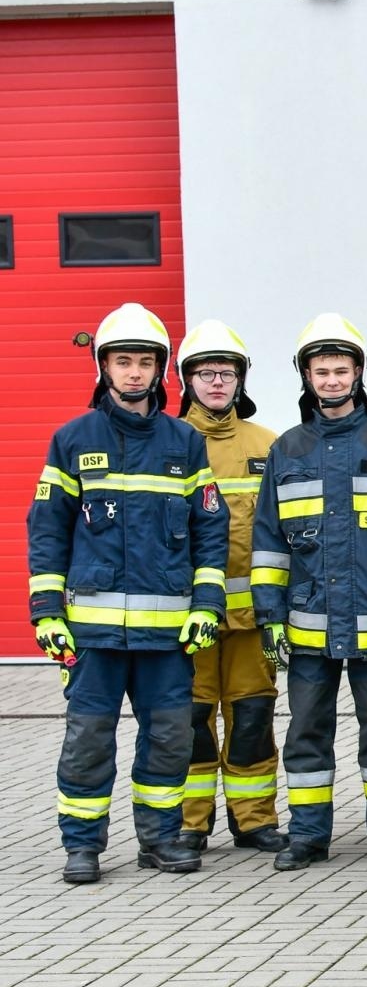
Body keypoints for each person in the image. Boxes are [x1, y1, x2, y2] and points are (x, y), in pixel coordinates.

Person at [29, 303, 229, 884]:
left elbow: (209, 530)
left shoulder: (184, 443)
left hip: (167, 634)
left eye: (145, 362)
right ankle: (83, 846)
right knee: (89, 739)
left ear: (161, 369)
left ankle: (162, 840)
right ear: (104, 368)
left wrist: (207, 606)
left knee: (169, 739)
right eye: (124, 362)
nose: (135, 373)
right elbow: (47, 530)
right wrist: (47, 611)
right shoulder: (72, 440)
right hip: (90, 633)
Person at [252, 313, 367, 871]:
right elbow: (270, 543)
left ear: (359, 375)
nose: (330, 380)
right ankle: (307, 837)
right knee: (306, 731)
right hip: (305, 625)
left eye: (340, 370)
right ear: (305, 377)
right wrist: (269, 617)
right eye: (320, 371)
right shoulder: (287, 450)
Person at [174, 320, 287, 855]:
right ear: (186, 380)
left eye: (227, 373)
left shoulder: (271, 445)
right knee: (190, 723)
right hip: (184, 619)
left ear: (241, 380)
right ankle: (190, 824)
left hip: (252, 621)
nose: (217, 383)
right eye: (205, 373)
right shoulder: (168, 443)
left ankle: (255, 821)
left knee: (252, 720)